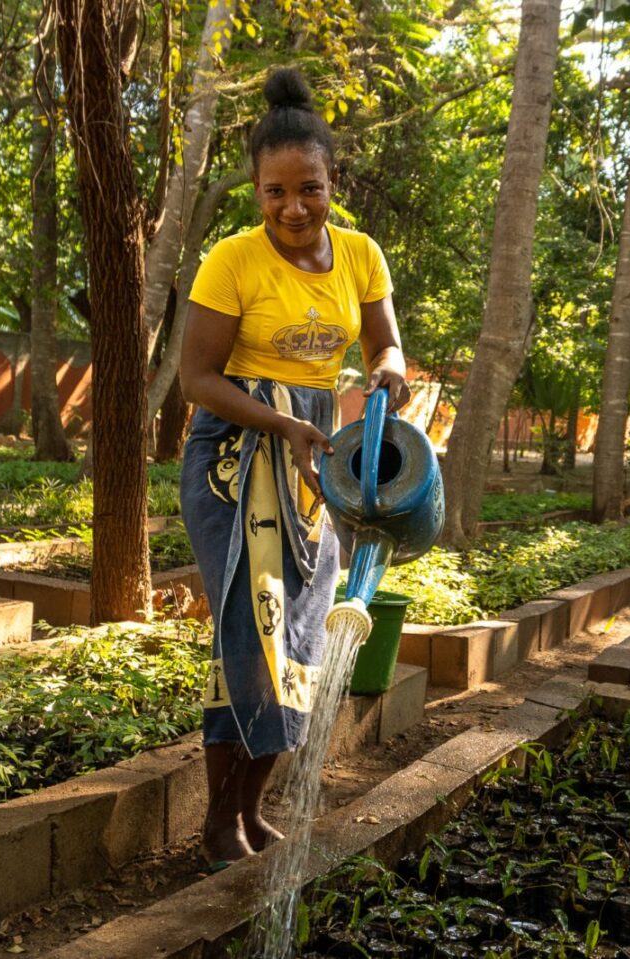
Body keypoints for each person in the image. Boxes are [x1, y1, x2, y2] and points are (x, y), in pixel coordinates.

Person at [178, 66, 410, 867]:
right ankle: (218, 821)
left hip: (315, 459)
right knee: (251, 633)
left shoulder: (361, 255)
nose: (293, 207)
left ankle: (251, 806)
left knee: (303, 634)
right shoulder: (231, 261)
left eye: (309, 188)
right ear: (257, 190)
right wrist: (280, 421)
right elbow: (196, 378)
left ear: (332, 181)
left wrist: (388, 373)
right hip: (236, 451)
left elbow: (385, 343)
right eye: (274, 192)